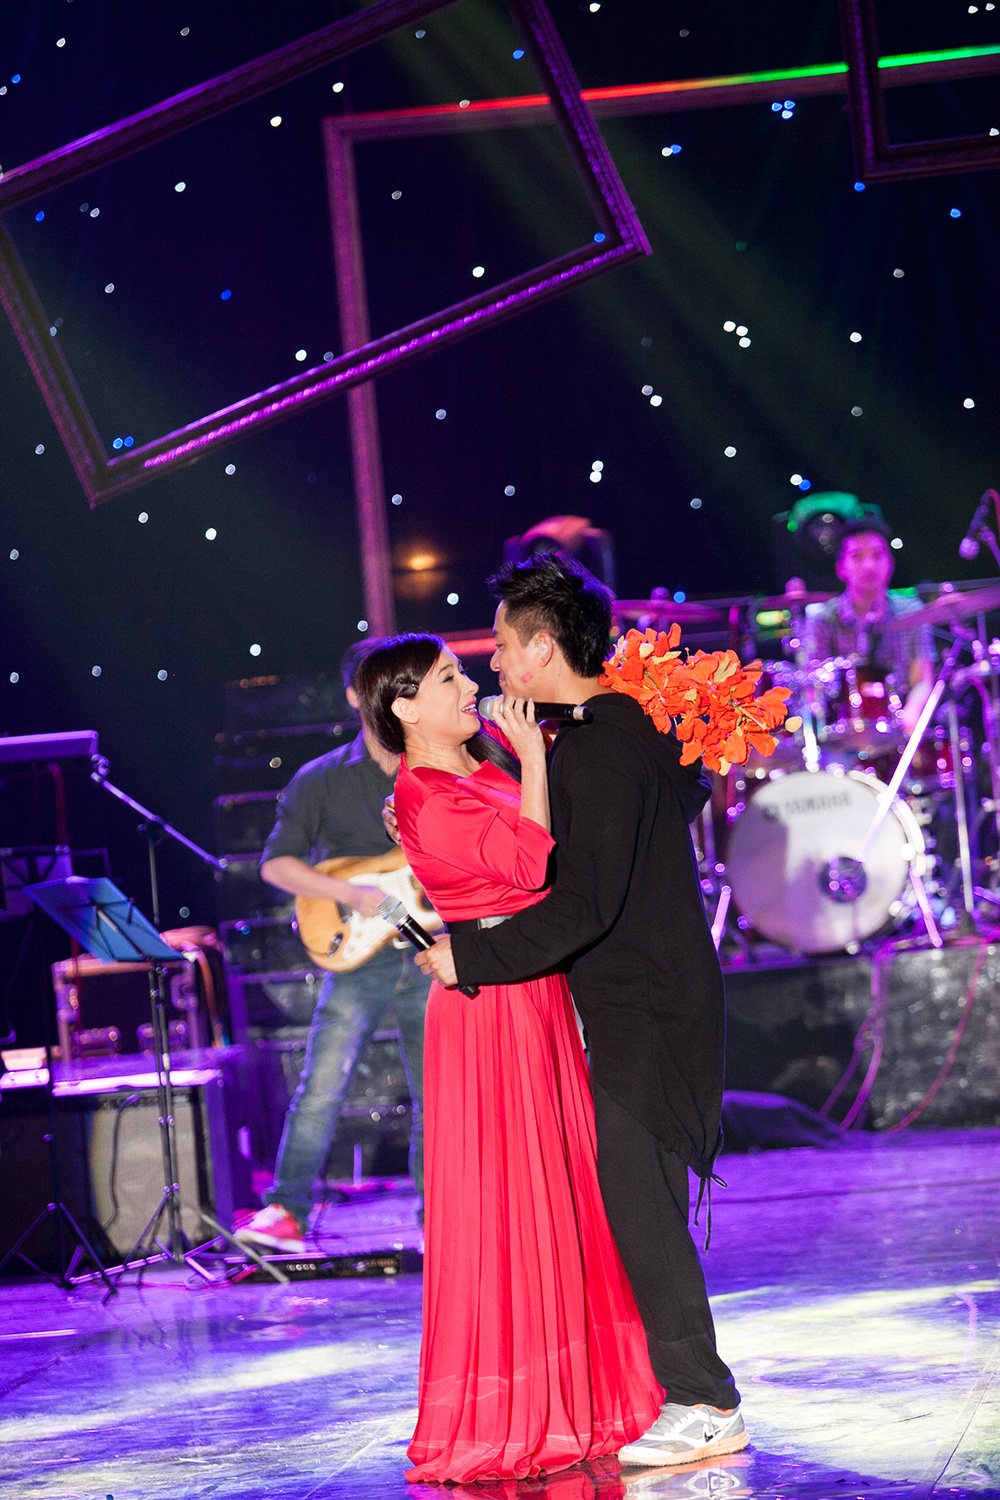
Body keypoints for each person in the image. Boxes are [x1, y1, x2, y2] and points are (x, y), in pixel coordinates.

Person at [413, 554, 747, 1469]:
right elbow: (663, 803)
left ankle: (705, 1399)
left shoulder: (598, 749)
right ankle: (695, 1393)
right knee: (638, 1197)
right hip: (655, 993)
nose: (492, 666)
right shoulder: (617, 726)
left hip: (648, 1003)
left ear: (543, 649)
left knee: (640, 1204)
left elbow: (583, 906)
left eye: (502, 648)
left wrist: (471, 957)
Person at [354, 633, 661, 1484]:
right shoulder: (426, 792)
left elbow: (550, 843)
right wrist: (531, 757)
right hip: (490, 1007)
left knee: (564, 1190)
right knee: (516, 1201)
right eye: (449, 677)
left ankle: (588, 1397)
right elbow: (530, 867)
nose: (471, 685)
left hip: (534, 986)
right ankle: (523, 1410)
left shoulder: (472, 764)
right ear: (405, 707)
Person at [235, 641, 429, 1255]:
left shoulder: (439, 764)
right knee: (322, 1083)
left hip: (433, 948)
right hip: (360, 952)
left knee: (439, 1093)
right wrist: (350, 892)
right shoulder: (320, 778)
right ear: (354, 696)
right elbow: (276, 864)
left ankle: (442, 1218)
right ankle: (286, 1211)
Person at [800, 517, 934, 738]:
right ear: (840, 568)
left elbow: (922, 680)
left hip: (899, 729)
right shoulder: (822, 618)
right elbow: (811, 686)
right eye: (857, 556)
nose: (869, 565)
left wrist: (910, 714)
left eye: (877, 555)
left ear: (890, 563)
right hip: (840, 734)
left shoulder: (912, 611)